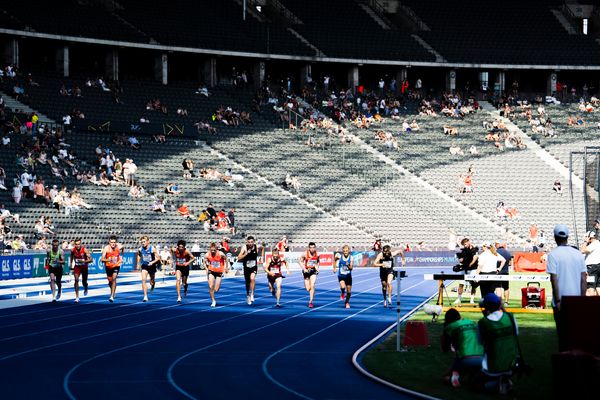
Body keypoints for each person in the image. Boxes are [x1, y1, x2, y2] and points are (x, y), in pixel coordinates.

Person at [547, 224, 587, 351]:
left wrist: (558, 300)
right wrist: (582, 299)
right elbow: (583, 279)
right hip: (576, 300)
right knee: (575, 333)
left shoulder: (553, 255)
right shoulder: (578, 254)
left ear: (555, 237)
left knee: (562, 334)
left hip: (562, 301)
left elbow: (554, 279)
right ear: (567, 237)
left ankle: (565, 360)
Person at [478, 293, 519, 394]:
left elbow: (480, 342)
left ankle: (498, 384)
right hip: (513, 364)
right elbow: (516, 334)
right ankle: (504, 380)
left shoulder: (483, 322)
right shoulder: (510, 317)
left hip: (492, 367)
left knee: (476, 385)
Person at [441, 308, 484, 388]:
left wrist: (444, 336)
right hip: (482, 359)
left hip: (465, 358)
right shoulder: (472, 322)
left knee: (445, 376)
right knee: (472, 381)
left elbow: (445, 348)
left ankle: (453, 377)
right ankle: (471, 377)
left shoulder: (450, 327)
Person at [454, 238, 479, 305]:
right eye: (463, 245)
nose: (464, 246)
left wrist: (470, 264)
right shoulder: (463, 250)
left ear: (468, 242)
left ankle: (472, 300)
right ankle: (459, 299)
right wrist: (460, 260)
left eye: (465, 244)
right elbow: (461, 259)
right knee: (461, 284)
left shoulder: (475, 249)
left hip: (473, 269)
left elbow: (475, 258)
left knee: (473, 285)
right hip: (464, 269)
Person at [237, 236, 261, 305]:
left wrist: (261, 257)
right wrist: (246, 253)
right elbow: (239, 258)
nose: (250, 244)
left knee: (252, 278)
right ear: (247, 242)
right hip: (246, 267)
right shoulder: (244, 247)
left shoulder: (257, 247)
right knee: (247, 282)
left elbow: (262, 248)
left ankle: (252, 294)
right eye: (249, 242)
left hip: (253, 266)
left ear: (254, 242)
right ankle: (248, 294)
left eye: (252, 242)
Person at [203, 242, 228, 307]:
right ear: (210, 249)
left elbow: (226, 259)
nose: (213, 251)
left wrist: (226, 267)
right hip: (211, 271)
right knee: (211, 286)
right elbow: (204, 262)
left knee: (216, 289)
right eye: (212, 250)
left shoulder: (220, 253)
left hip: (219, 272)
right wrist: (206, 269)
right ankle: (213, 301)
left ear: (216, 249)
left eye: (214, 250)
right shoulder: (207, 254)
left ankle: (212, 292)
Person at [137, 236, 161, 302]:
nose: (143, 243)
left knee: (151, 281)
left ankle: (153, 285)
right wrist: (138, 264)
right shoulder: (140, 249)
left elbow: (158, 258)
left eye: (144, 242)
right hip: (144, 266)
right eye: (142, 242)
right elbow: (139, 255)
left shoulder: (152, 249)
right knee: (143, 280)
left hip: (152, 266)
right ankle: (145, 296)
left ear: (148, 242)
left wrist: (152, 262)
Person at [100, 235, 122, 302]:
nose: (113, 244)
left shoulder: (119, 246)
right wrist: (108, 260)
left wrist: (122, 256)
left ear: (116, 242)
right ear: (109, 242)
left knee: (114, 278)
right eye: (111, 242)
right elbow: (102, 259)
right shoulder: (106, 248)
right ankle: (112, 288)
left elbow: (123, 249)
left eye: (114, 242)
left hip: (116, 265)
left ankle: (112, 296)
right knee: (110, 281)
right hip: (108, 266)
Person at [70, 238, 92, 303]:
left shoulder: (84, 250)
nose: (77, 246)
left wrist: (84, 261)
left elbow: (91, 260)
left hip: (84, 267)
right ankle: (77, 297)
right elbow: (71, 257)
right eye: (76, 244)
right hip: (77, 267)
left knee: (84, 282)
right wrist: (71, 264)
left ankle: (86, 287)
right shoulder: (72, 250)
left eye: (79, 244)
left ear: (80, 243)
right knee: (76, 280)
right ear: (74, 244)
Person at [299, 242, 320, 308]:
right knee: (308, 288)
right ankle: (309, 288)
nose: (312, 249)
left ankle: (310, 302)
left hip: (313, 271)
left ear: (315, 247)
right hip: (306, 271)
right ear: (309, 248)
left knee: (312, 285)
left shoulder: (317, 254)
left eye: (313, 247)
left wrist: (317, 268)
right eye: (311, 247)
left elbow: (318, 261)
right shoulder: (305, 254)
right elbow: (300, 261)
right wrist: (304, 269)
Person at [581, 231, 600, 296]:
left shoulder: (595, 243)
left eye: (586, 237)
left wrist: (585, 242)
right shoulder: (597, 243)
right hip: (597, 267)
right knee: (598, 288)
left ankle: (591, 305)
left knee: (590, 287)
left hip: (591, 268)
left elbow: (582, 250)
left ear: (590, 237)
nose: (585, 238)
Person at [494, 241, 513, 305]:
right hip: (505, 272)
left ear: (498, 245)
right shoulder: (508, 253)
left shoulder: (495, 252)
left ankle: (499, 302)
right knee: (506, 287)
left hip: (497, 272)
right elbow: (510, 263)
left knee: (498, 287)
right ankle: (506, 302)